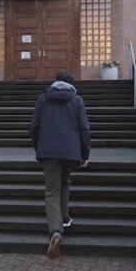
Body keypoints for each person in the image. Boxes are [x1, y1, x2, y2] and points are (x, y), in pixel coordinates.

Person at [30, 72, 91, 260]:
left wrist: (38, 147)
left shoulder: (43, 99)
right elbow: (84, 128)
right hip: (71, 151)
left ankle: (55, 231)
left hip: (48, 151)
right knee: (65, 182)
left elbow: (34, 127)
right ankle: (64, 218)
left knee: (51, 190)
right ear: (71, 85)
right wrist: (85, 153)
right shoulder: (77, 100)